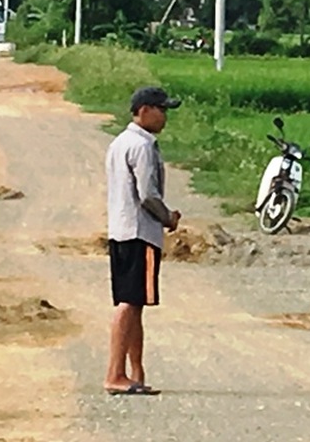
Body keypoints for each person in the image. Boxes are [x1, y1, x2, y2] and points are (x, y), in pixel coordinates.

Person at [103, 86, 182, 396]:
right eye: (162, 110)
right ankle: (114, 374)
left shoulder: (120, 142)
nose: (165, 117)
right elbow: (148, 195)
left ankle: (134, 371)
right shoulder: (142, 147)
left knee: (133, 303)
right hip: (140, 232)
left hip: (121, 230)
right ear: (145, 110)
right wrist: (168, 218)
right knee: (129, 303)